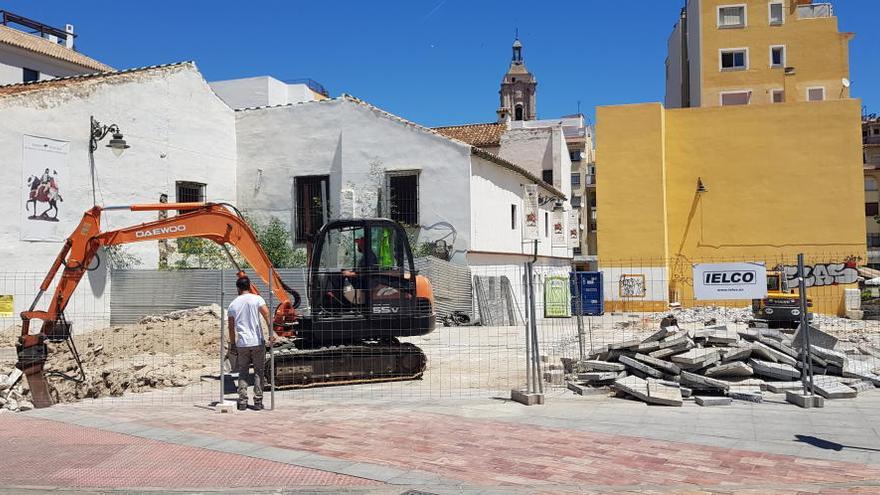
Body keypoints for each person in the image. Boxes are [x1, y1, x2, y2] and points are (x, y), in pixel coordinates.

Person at [228, 276, 273, 411]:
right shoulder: (257, 299)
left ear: (238, 288)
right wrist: (271, 333)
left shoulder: (233, 304)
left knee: (243, 372)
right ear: (250, 286)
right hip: (257, 341)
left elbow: (231, 327)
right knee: (259, 371)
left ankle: (242, 401)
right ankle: (258, 401)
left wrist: (233, 344)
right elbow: (267, 315)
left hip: (242, 343)